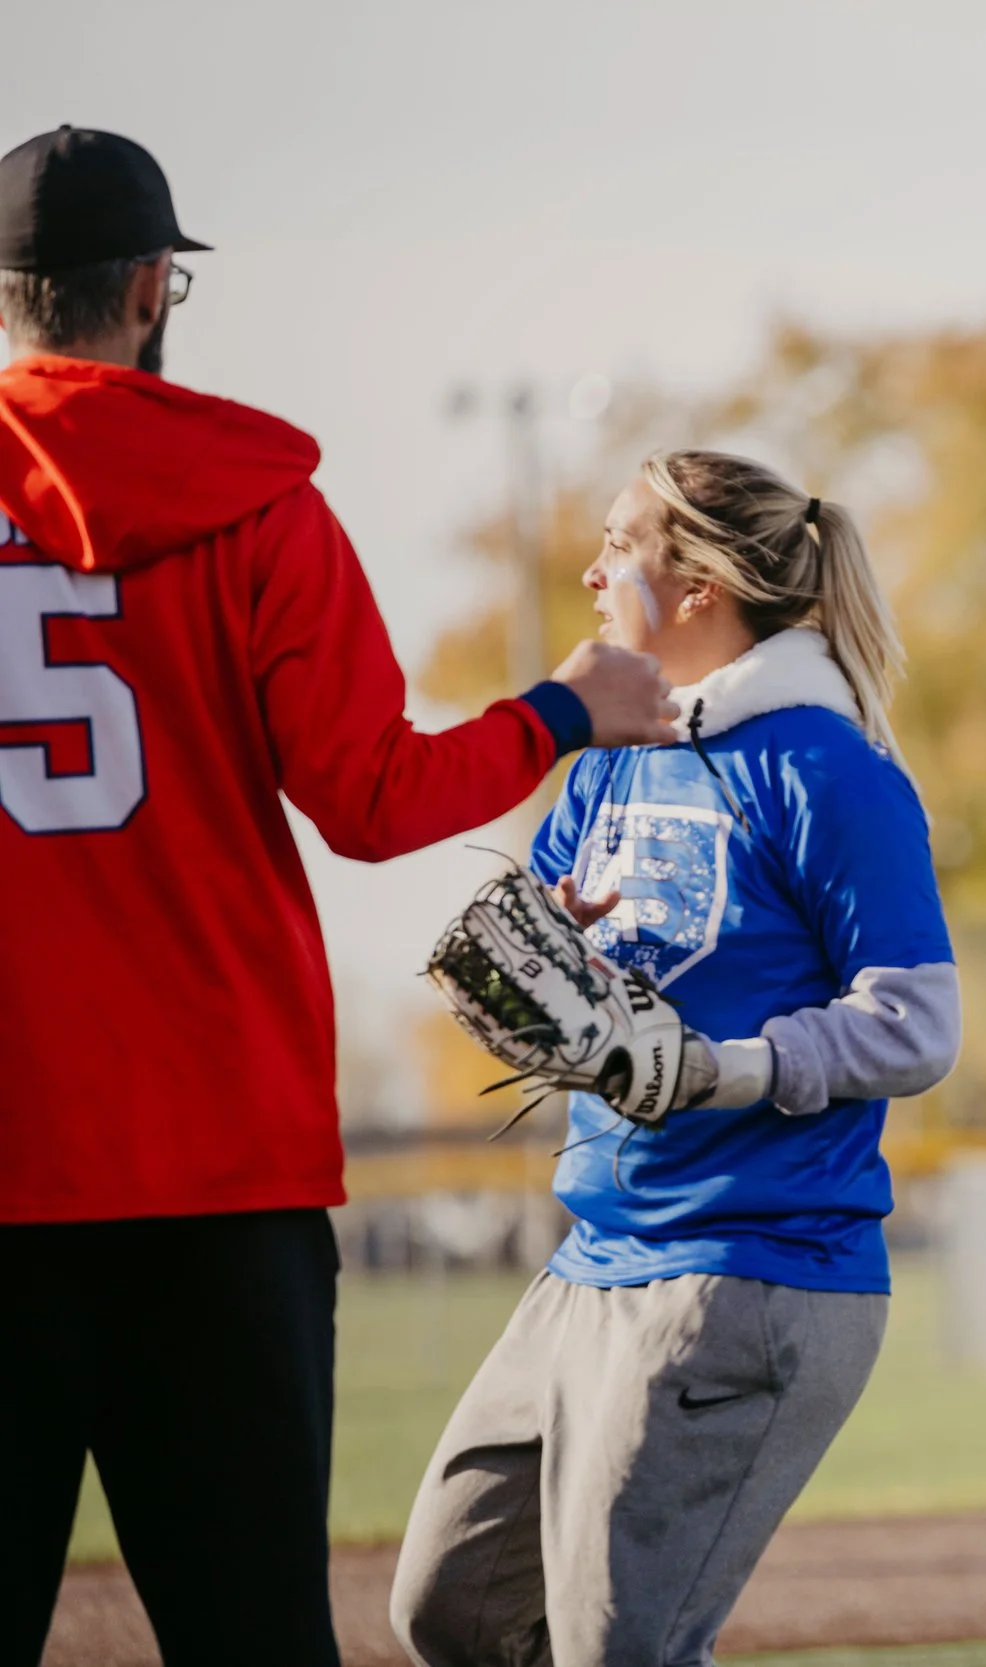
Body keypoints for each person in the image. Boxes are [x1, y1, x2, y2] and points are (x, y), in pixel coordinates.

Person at [0, 126, 675, 1665]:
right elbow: (374, 804)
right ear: (157, 287)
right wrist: (563, 709)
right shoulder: (254, 501)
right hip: (211, 1167)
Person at [389, 450, 959, 1664]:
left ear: (698, 582)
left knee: (622, 1650)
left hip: (755, 1264)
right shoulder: (611, 753)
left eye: (620, 544)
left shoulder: (828, 765)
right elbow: (549, 950)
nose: (591, 570)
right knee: (450, 1608)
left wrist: (724, 1067)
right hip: (597, 1251)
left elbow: (919, 1024)